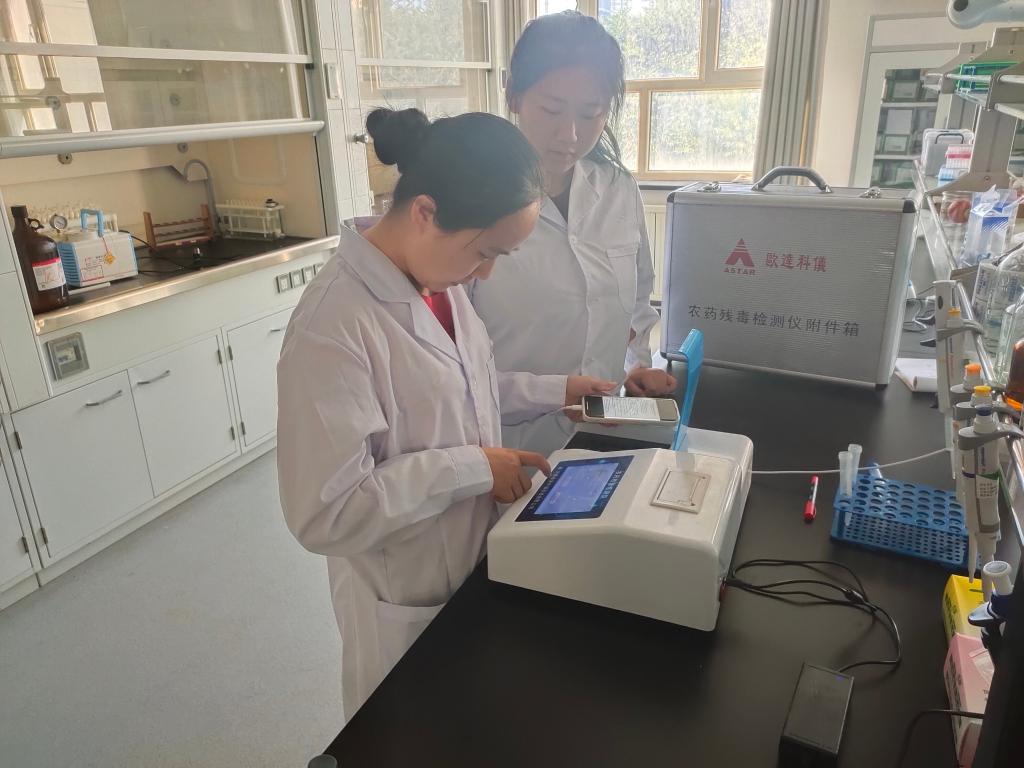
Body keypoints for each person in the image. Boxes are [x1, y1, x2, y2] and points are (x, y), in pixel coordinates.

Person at [277, 107, 615, 720]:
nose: (487, 272)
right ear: (425, 213)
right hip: (406, 597)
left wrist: (553, 390)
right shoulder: (333, 326)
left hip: (472, 567)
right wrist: (474, 468)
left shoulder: (438, 282)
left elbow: (464, 389)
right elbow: (326, 513)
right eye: (485, 251)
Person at [470, 11, 677, 457]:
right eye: (551, 109)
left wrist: (632, 369)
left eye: (591, 113)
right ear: (513, 94)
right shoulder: (473, 202)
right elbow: (447, 366)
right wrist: (551, 392)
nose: (570, 134)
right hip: (508, 450)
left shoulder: (618, 189)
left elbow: (636, 303)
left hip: (605, 435)